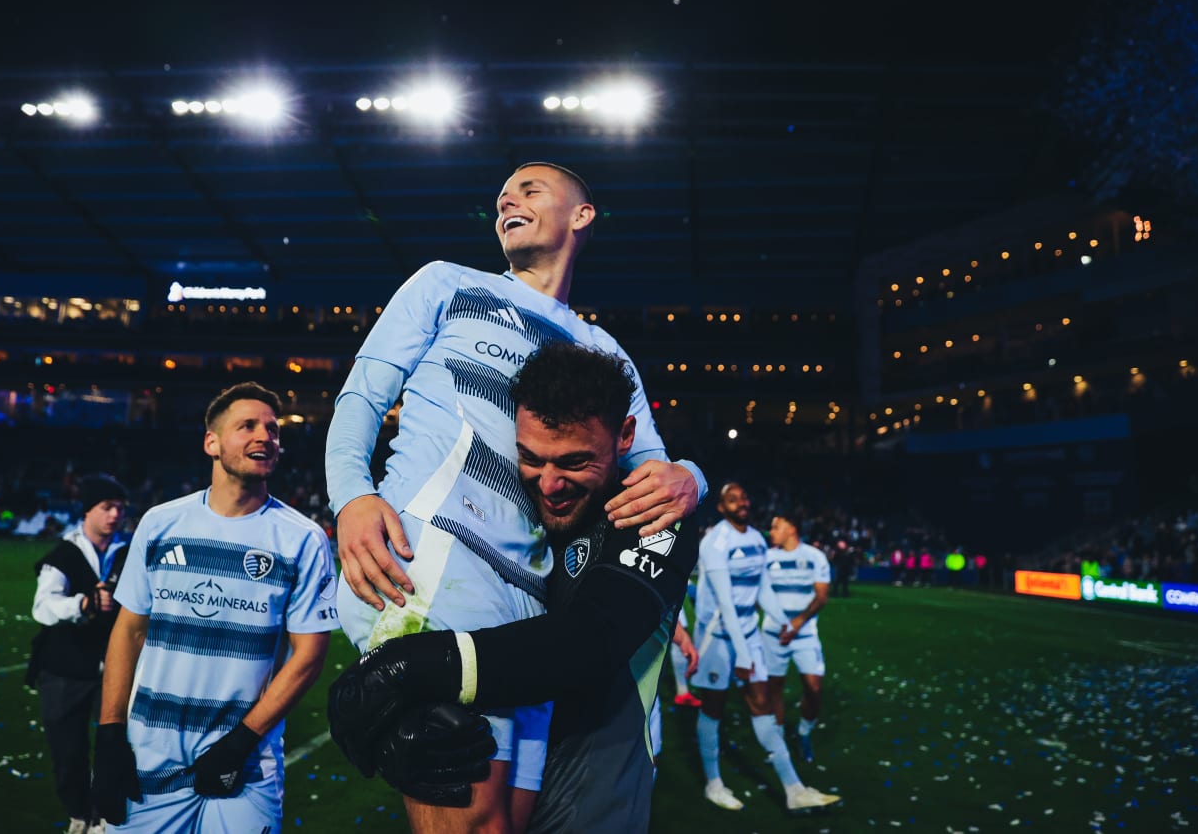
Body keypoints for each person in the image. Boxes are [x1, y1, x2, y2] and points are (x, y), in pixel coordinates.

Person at [325, 162, 706, 831]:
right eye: (503, 192)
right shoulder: (448, 282)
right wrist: (351, 494)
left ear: (582, 216)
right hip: (432, 552)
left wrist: (692, 476)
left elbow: (651, 468)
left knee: (510, 824)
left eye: (530, 188)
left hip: (528, 599)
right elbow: (364, 392)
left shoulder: (604, 349)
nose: (507, 197)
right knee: (473, 821)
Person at [92, 382, 339, 833]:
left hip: (245, 764)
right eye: (247, 426)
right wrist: (109, 736)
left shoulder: (303, 539)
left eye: (272, 429)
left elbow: (309, 654)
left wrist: (241, 742)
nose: (264, 436)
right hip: (148, 755)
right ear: (212, 442)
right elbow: (129, 631)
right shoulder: (160, 523)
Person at [692, 484, 840, 814]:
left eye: (745, 497)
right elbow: (725, 603)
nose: (742, 503)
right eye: (734, 499)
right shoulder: (715, 542)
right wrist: (743, 655)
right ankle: (713, 783)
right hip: (716, 636)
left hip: (747, 631)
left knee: (761, 702)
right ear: (721, 507)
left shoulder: (758, 540)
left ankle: (793, 789)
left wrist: (781, 619)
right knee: (712, 708)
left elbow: (761, 588)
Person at [26, 474, 129, 834]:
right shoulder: (64, 555)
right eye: (107, 507)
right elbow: (43, 607)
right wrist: (82, 604)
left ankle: (103, 816)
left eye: (120, 508)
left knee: (112, 746)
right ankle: (79, 813)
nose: (115, 514)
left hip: (115, 668)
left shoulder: (128, 553)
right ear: (88, 510)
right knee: (67, 750)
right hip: (65, 668)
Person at [764, 515, 832, 765]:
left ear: (792, 528)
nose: (771, 531)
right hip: (773, 635)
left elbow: (822, 597)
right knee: (774, 689)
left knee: (814, 689)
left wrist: (797, 623)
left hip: (804, 634)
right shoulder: (767, 557)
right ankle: (779, 743)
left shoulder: (815, 557)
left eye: (776, 527)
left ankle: (804, 732)